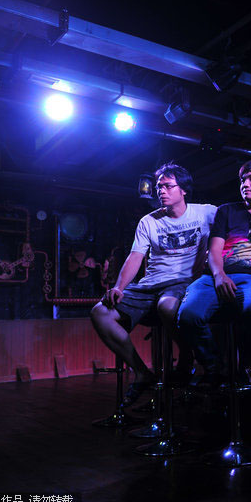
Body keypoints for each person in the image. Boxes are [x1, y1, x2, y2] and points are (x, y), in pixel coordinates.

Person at [90, 163, 216, 406]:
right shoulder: (148, 221)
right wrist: (118, 287)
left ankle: (189, 360)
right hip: (150, 285)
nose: (162, 191)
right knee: (100, 312)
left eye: (168, 186)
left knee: (167, 306)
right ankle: (141, 371)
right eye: (159, 187)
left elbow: (233, 225)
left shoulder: (206, 213)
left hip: (183, 282)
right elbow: (135, 256)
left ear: (184, 190)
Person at [178, 160, 251, 387]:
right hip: (215, 276)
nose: (245, 184)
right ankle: (214, 367)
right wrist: (218, 275)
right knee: (188, 315)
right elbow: (214, 250)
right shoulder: (226, 211)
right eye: (242, 180)